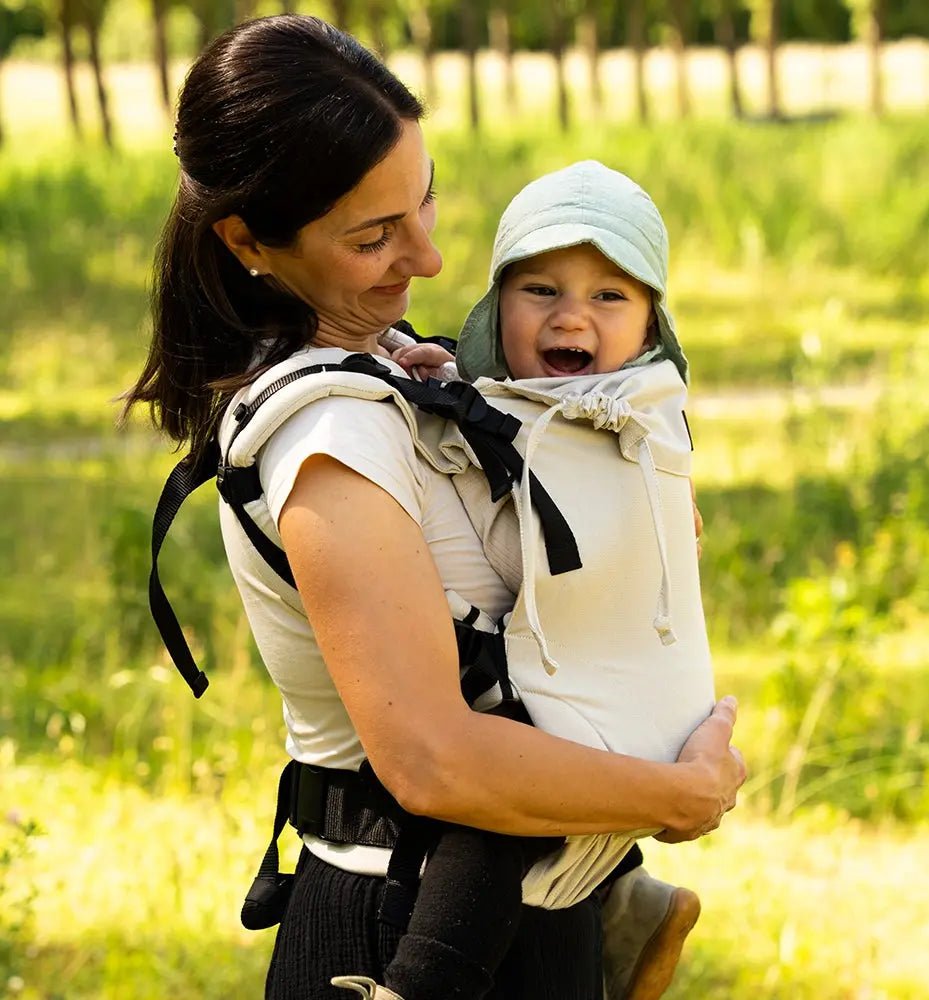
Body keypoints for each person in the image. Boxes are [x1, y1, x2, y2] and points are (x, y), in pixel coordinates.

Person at [124, 14, 745, 1000]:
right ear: (247, 240)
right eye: (375, 236)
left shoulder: (404, 370)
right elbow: (431, 759)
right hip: (400, 927)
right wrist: (678, 794)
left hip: (537, 917)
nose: (430, 258)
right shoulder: (327, 434)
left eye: (424, 204)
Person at [344, 161, 714, 1000]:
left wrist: (436, 414)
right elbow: (504, 430)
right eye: (540, 289)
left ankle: (421, 985)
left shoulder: (613, 415)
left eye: (610, 297)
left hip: (612, 719)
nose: (571, 316)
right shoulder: (608, 407)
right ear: (497, 308)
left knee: (494, 805)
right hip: (627, 701)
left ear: (652, 322)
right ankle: (623, 895)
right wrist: (435, 380)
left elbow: (517, 552)